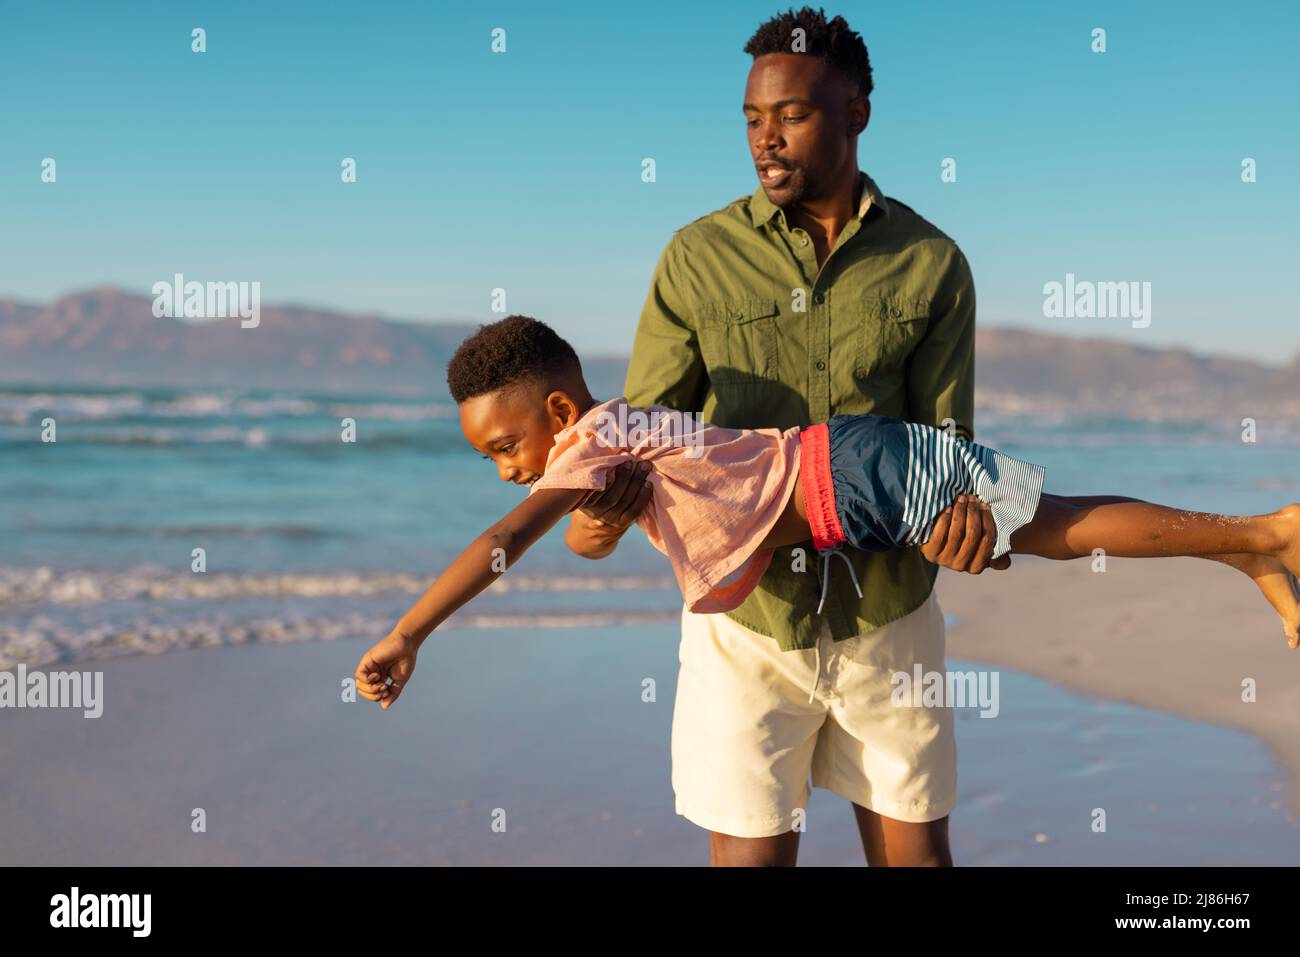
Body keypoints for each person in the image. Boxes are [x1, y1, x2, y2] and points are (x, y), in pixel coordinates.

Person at [352, 314, 1300, 770]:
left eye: (506, 445)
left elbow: (502, 540)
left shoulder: (592, 440)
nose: (506, 470)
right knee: (1043, 530)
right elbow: (584, 531)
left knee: (1050, 526)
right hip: (850, 481)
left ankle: (1263, 532)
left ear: (557, 411)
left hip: (849, 476)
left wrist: (409, 633)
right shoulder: (618, 437)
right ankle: (1249, 551)